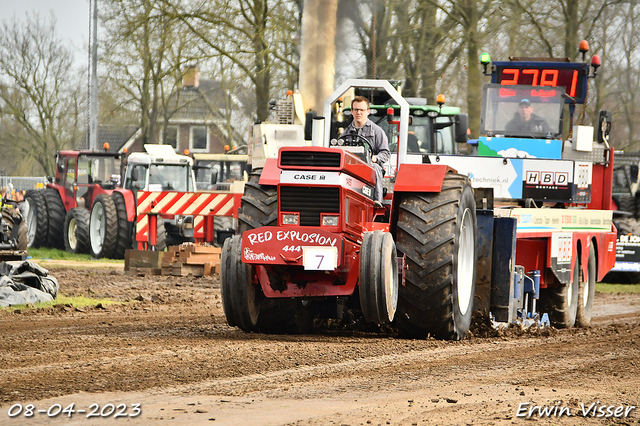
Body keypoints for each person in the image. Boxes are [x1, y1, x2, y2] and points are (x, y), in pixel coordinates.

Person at [340, 96, 390, 207]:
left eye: (362, 110)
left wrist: (375, 158)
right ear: (352, 112)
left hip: (369, 167)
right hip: (351, 168)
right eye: (356, 110)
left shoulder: (377, 131)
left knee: (375, 167)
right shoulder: (346, 133)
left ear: (368, 112)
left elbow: (385, 153)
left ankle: (377, 200)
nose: (359, 112)